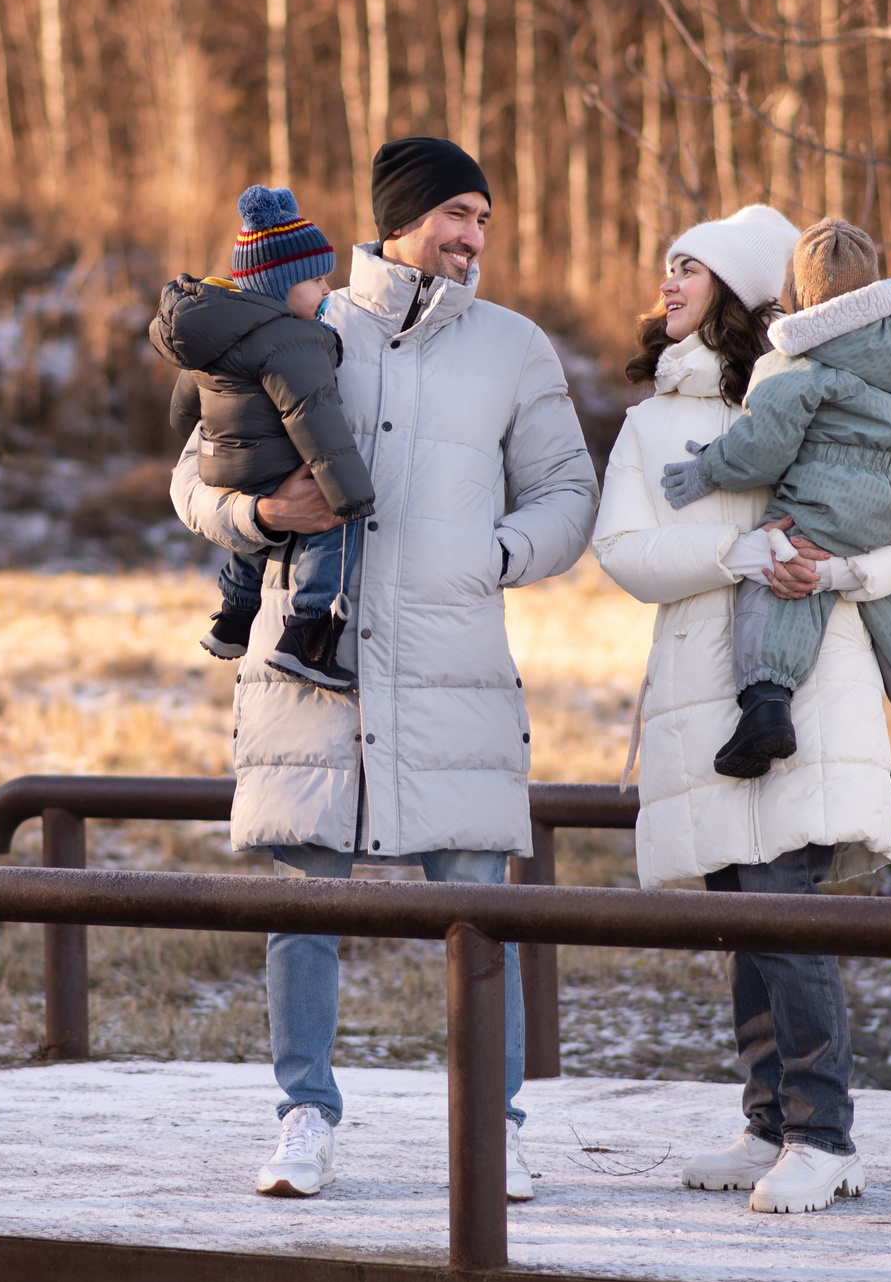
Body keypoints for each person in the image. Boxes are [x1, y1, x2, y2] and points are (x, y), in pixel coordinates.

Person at [169, 137, 597, 1205]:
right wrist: (263, 513)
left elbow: (566, 495)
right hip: (311, 664)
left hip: (454, 663)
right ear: (399, 218)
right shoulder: (299, 323)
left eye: (485, 219)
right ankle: (303, 1116)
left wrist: (491, 556)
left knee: (479, 912)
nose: (473, 237)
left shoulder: (514, 346)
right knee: (303, 905)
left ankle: (491, 1129)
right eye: (457, 213)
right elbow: (193, 476)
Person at [590, 204, 891, 1215]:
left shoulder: (831, 386)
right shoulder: (652, 422)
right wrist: (731, 553)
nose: (664, 283)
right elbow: (621, 553)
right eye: (662, 265)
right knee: (743, 916)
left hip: (814, 684)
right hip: (704, 700)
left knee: (785, 910)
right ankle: (767, 1125)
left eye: (688, 268)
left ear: (746, 288)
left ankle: (822, 1134)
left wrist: (842, 567)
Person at [655, 218, 891, 789]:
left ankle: (766, 705)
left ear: (802, 295)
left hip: (831, 495)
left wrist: (709, 468)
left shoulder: (799, 359)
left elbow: (763, 447)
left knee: (785, 570)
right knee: (886, 603)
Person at [152, 185, 377, 687]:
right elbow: (316, 421)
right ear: (279, 286)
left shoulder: (218, 328)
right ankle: (308, 635)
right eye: (316, 280)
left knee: (255, 537)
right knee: (331, 527)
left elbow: (184, 404)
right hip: (276, 463)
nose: (326, 291)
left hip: (223, 465)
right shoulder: (294, 338)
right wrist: (350, 497)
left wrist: (197, 428)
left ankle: (234, 617)